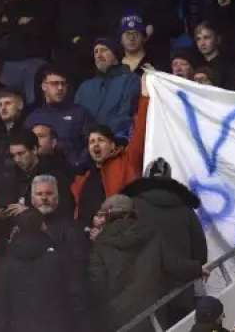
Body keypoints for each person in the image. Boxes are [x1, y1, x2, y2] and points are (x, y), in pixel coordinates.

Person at [89, 194, 205, 332]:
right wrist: (198, 269)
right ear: (131, 213)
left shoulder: (101, 244)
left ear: (108, 215)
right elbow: (173, 264)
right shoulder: (151, 233)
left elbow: (97, 284)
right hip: (152, 313)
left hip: (119, 319)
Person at [122, 159, 208, 326]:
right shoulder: (186, 210)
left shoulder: (131, 208)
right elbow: (201, 255)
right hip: (181, 294)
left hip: (143, 296)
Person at [72, 79, 148, 229]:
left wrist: (145, 96)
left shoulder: (127, 161)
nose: (95, 144)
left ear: (113, 146)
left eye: (100, 140)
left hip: (119, 234)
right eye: (91, 142)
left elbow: (140, 132)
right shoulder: (84, 176)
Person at [0, 209, 86, 332]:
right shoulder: (59, 259)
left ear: (17, 229)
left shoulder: (6, 263)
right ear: (43, 226)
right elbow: (75, 296)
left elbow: (0, 306)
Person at [24, 67, 92, 174]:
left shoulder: (79, 113)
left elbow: (91, 141)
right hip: (40, 175)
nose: (60, 88)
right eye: (55, 83)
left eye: (63, 84)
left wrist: (79, 163)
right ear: (44, 86)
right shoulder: (33, 117)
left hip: (72, 174)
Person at [0, 130, 73, 219]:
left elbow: (65, 209)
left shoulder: (54, 174)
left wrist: (29, 211)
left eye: (21, 154)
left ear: (34, 150)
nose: (17, 159)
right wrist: (1, 211)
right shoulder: (11, 175)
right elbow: (5, 202)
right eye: (13, 155)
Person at [75, 38, 140, 140]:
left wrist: (102, 137)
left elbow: (126, 115)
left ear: (116, 55)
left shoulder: (131, 80)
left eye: (104, 50)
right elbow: (77, 118)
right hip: (87, 145)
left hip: (116, 143)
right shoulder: (85, 87)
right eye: (96, 52)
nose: (98, 55)